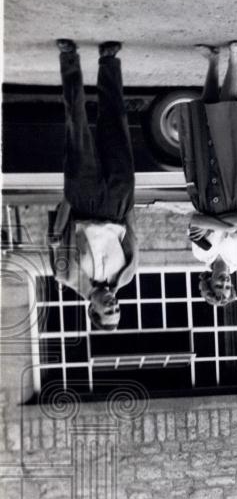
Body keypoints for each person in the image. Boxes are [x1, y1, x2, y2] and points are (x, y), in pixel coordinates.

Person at [48, 38, 137, 331]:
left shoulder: (66, 275)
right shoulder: (127, 276)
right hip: (117, 201)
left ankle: (69, 59)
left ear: (92, 310)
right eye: (117, 309)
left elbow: (57, 234)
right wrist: (127, 201)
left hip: (83, 201)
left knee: (77, 124)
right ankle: (108, 61)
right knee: (116, 124)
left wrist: (69, 198)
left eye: (107, 311)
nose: (113, 305)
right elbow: (132, 235)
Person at [176, 40, 237, 307]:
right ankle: (234, 58)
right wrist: (221, 223)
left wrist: (225, 226)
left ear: (208, 282)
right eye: (228, 285)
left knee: (204, 123)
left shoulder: (202, 254)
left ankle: (212, 60)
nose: (224, 282)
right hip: (232, 190)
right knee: (228, 121)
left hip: (203, 191)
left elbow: (195, 220)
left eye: (219, 285)